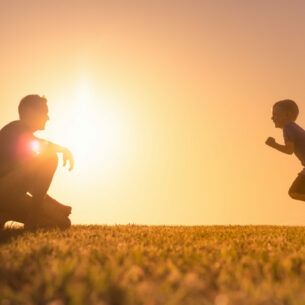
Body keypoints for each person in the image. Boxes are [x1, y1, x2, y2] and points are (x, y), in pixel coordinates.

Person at [0, 94, 74, 230]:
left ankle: (4, 215)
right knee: (50, 157)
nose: (48, 117)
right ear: (30, 112)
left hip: (11, 197)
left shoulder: (23, 140)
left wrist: (56, 205)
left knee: (62, 222)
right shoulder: (15, 128)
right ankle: (33, 218)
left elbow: (33, 185)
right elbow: (42, 145)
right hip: (3, 193)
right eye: (44, 112)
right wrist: (63, 149)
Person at [266, 99, 305, 202]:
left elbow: (289, 150)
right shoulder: (294, 128)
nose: (272, 118)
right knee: (296, 191)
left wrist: (273, 145)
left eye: (275, 114)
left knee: (295, 191)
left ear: (287, 115)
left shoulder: (288, 127)